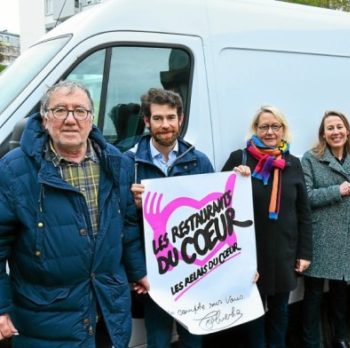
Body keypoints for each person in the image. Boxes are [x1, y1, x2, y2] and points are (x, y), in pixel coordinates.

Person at [0, 81, 148, 347]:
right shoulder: (14, 170)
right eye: (60, 110)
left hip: (107, 313)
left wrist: (140, 272)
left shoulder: (116, 162)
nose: (71, 120)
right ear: (45, 119)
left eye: (80, 111)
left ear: (91, 119)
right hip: (45, 322)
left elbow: (127, 226)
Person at [128, 88, 214, 347]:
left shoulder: (199, 161)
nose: (165, 125)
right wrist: (139, 271)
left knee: (193, 340)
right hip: (154, 277)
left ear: (181, 119)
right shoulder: (129, 164)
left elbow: (219, 214)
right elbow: (124, 227)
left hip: (194, 272)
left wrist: (240, 178)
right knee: (157, 340)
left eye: (170, 117)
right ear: (147, 121)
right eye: (158, 118)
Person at [221, 105, 313, 348]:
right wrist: (233, 179)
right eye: (264, 126)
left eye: (275, 126)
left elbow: (303, 211)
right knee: (254, 312)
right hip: (251, 253)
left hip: (285, 250)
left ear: (283, 130)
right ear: (255, 129)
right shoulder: (238, 159)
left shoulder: (293, 163)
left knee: (280, 311)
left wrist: (305, 253)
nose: (270, 131)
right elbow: (218, 203)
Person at [301, 110, 350, 348]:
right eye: (330, 128)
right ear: (323, 134)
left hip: (347, 234)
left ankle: (340, 337)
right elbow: (305, 197)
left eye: (339, 127)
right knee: (314, 295)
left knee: (340, 293)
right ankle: (311, 341)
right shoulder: (310, 158)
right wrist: (337, 191)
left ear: (347, 131)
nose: (335, 132)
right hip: (320, 236)